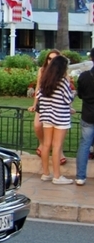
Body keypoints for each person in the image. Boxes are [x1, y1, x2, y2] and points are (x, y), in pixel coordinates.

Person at [36, 55, 74, 185]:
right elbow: (68, 99)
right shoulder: (62, 82)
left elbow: (39, 96)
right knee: (57, 146)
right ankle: (57, 176)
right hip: (61, 117)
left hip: (47, 116)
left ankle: (46, 173)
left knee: (46, 145)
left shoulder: (45, 81)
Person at [28, 49, 66, 164]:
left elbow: (66, 91)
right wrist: (35, 104)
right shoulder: (42, 70)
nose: (51, 61)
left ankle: (59, 152)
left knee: (57, 130)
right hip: (43, 102)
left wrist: (69, 107)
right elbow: (38, 88)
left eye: (54, 59)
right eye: (49, 58)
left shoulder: (62, 72)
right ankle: (43, 143)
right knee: (37, 126)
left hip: (57, 104)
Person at [75, 48, 94, 186]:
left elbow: (80, 94)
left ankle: (80, 176)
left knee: (85, 145)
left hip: (88, 114)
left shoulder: (84, 76)